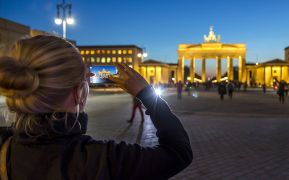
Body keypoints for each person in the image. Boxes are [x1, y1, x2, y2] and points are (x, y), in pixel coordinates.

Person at [0, 35, 192, 179]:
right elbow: (179, 152)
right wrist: (146, 94)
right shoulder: (104, 159)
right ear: (79, 93)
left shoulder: (4, 146)